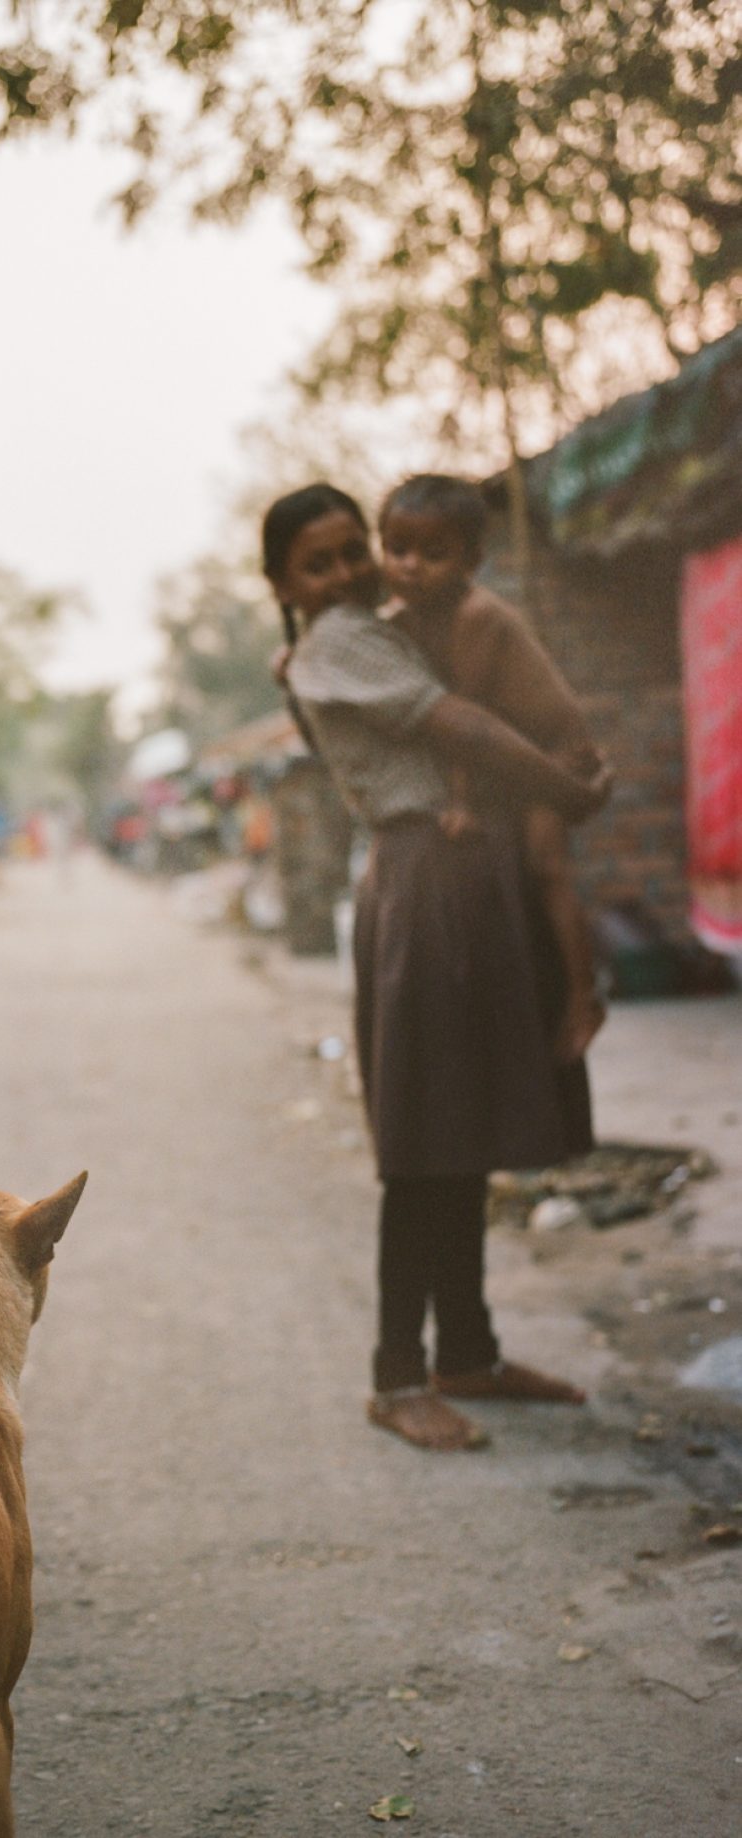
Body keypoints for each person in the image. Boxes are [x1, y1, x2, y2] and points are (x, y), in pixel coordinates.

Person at [266, 483, 609, 1453]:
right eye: (317, 562)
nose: (345, 573)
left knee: (461, 1132)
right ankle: (396, 1372)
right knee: (424, 1142)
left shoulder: (376, 630)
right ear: (283, 582)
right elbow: (460, 727)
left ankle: (467, 1348)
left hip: (471, 876)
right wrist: (569, 790)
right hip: (426, 881)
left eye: (349, 552)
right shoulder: (338, 645)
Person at [378, 474, 606, 1070]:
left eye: (434, 553)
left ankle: (585, 997)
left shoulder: (477, 615)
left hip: (554, 752)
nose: (411, 567)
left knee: (546, 865)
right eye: (397, 550)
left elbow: (469, 714)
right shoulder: (408, 615)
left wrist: (462, 802)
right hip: (512, 754)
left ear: (473, 560)